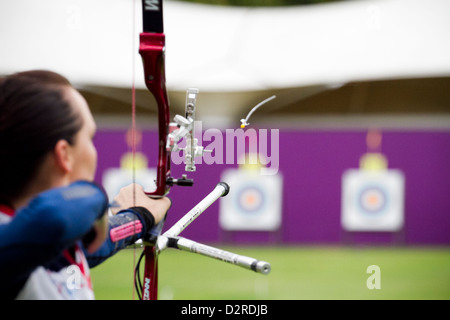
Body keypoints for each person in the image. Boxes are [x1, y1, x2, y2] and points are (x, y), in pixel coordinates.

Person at [0, 70, 171, 299]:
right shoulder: (19, 238)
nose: (93, 150)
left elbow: (99, 243)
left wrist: (139, 216)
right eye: (89, 137)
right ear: (65, 155)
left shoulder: (46, 241)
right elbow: (54, 217)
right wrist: (97, 200)